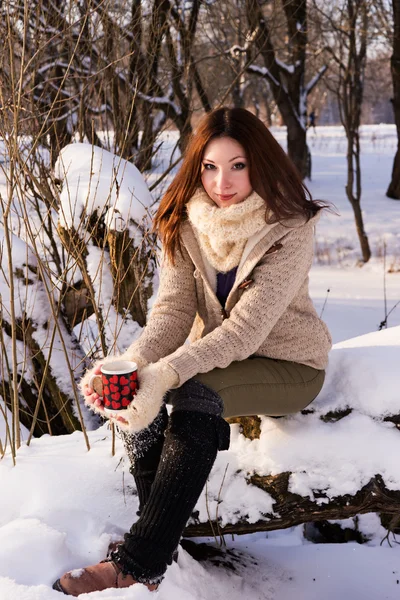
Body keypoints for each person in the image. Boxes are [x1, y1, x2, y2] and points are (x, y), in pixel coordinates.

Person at [53, 107, 332, 596]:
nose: (222, 182)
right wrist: (131, 367)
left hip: (289, 365)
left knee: (194, 391)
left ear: (260, 163)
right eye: (210, 166)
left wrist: (168, 373)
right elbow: (173, 313)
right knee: (146, 386)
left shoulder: (290, 226)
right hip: (217, 356)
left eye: (238, 165)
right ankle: (157, 542)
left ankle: (138, 564)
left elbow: (245, 331)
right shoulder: (185, 221)